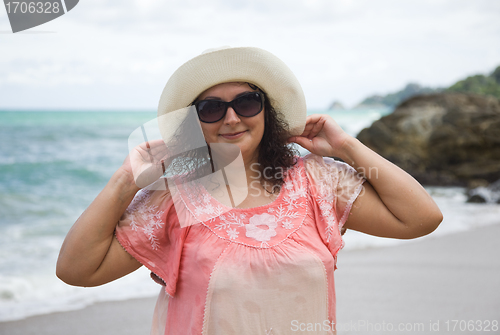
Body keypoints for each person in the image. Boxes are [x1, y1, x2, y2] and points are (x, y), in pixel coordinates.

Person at [56, 46, 443, 334]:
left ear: (267, 110)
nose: (231, 117)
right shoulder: (173, 199)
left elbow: (422, 218)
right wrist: (126, 179)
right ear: (193, 123)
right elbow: (76, 270)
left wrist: (346, 147)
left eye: (246, 102)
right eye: (210, 108)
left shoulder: (316, 182)